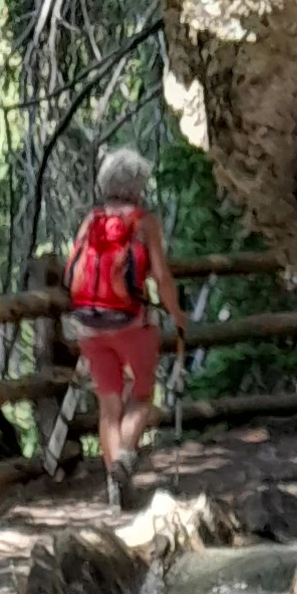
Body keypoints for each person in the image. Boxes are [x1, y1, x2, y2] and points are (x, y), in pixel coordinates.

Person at [64, 147, 187, 511]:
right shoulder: (144, 222)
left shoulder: (92, 220)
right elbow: (161, 276)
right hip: (131, 323)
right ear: (137, 184)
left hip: (88, 324)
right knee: (143, 395)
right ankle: (123, 461)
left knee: (109, 405)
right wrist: (176, 313)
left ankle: (115, 487)